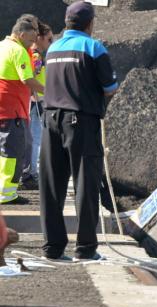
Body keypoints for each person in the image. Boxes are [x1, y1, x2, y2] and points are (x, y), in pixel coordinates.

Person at [40, 2, 118, 260]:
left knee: (51, 186)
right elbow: (109, 87)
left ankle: (52, 248)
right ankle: (85, 249)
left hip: (50, 119)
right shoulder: (93, 47)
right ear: (90, 23)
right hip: (80, 122)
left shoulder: (53, 49)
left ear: (66, 22)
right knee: (85, 184)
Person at [0, 18, 45, 204]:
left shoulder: (2, 45)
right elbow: (27, 80)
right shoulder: (18, 50)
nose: (33, 42)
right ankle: (7, 194)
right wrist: (52, 91)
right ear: (21, 34)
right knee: (12, 151)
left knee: (5, 150)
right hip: (13, 109)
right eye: (31, 37)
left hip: (5, 108)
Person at [21, 21, 52, 188]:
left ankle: (30, 172)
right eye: (48, 39)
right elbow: (31, 76)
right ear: (38, 38)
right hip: (35, 102)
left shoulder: (33, 55)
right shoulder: (36, 56)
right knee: (35, 139)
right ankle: (31, 174)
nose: (50, 43)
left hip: (36, 101)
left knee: (34, 139)